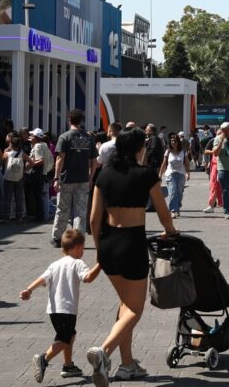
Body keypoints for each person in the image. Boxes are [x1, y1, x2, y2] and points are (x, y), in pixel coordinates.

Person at [88, 126, 178, 386]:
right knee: (135, 310)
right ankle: (104, 352)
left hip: (108, 245)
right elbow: (163, 212)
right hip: (132, 244)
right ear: (140, 149)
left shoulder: (104, 174)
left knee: (125, 305)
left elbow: (93, 219)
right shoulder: (146, 174)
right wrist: (170, 232)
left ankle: (127, 364)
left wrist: (100, 251)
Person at [20, 228, 101, 382]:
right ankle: (44, 358)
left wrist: (28, 289)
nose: (83, 252)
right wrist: (100, 264)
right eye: (83, 248)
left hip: (54, 310)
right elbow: (88, 278)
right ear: (78, 247)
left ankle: (68, 366)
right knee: (64, 338)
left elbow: (42, 279)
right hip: (67, 309)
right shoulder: (77, 263)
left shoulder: (55, 264)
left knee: (70, 334)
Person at [52, 110, 97, 248]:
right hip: (83, 179)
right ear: (81, 121)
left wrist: (56, 177)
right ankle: (78, 239)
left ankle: (58, 238)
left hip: (66, 179)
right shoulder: (89, 138)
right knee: (80, 211)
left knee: (62, 209)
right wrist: (90, 177)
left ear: (69, 120)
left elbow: (60, 159)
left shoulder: (64, 137)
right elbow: (94, 161)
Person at [2, 131, 32, 222]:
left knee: (7, 198)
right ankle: (19, 217)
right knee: (19, 198)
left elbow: (2, 163)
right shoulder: (22, 154)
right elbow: (32, 162)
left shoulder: (6, 154)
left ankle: (6, 217)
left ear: (11, 143)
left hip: (8, 178)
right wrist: (24, 170)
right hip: (19, 178)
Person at [158, 133, 190, 218]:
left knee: (179, 192)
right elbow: (164, 163)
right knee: (172, 191)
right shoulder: (168, 151)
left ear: (178, 142)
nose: (173, 142)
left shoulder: (183, 151)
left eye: (175, 141)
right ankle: (172, 210)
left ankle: (177, 207)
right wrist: (160, 174)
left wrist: (187, 173)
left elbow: (187, 163)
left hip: (181, 174)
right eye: (172, 141)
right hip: (170, 173)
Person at [28, 129, 55, 222]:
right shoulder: (43, 145)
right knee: (42, 196)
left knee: (38, 196)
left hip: (38, 174)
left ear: (35, 137)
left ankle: (40, 216)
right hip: (43, 174)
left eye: (32, 136)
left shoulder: (38, 146)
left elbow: (41, 161)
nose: (30, 137)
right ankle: (43, 215)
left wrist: (30, 164)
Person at [202, 130, 223, 213]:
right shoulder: (212, 141)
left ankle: (224, 203)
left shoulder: (226, 141)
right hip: (214, 165)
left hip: (224, 166)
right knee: (213, 185)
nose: (218, 135)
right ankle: (212, 205)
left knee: (223, 186)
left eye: (220, 134)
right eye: (217, 134)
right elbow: (206, 151)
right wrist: (213, 152)